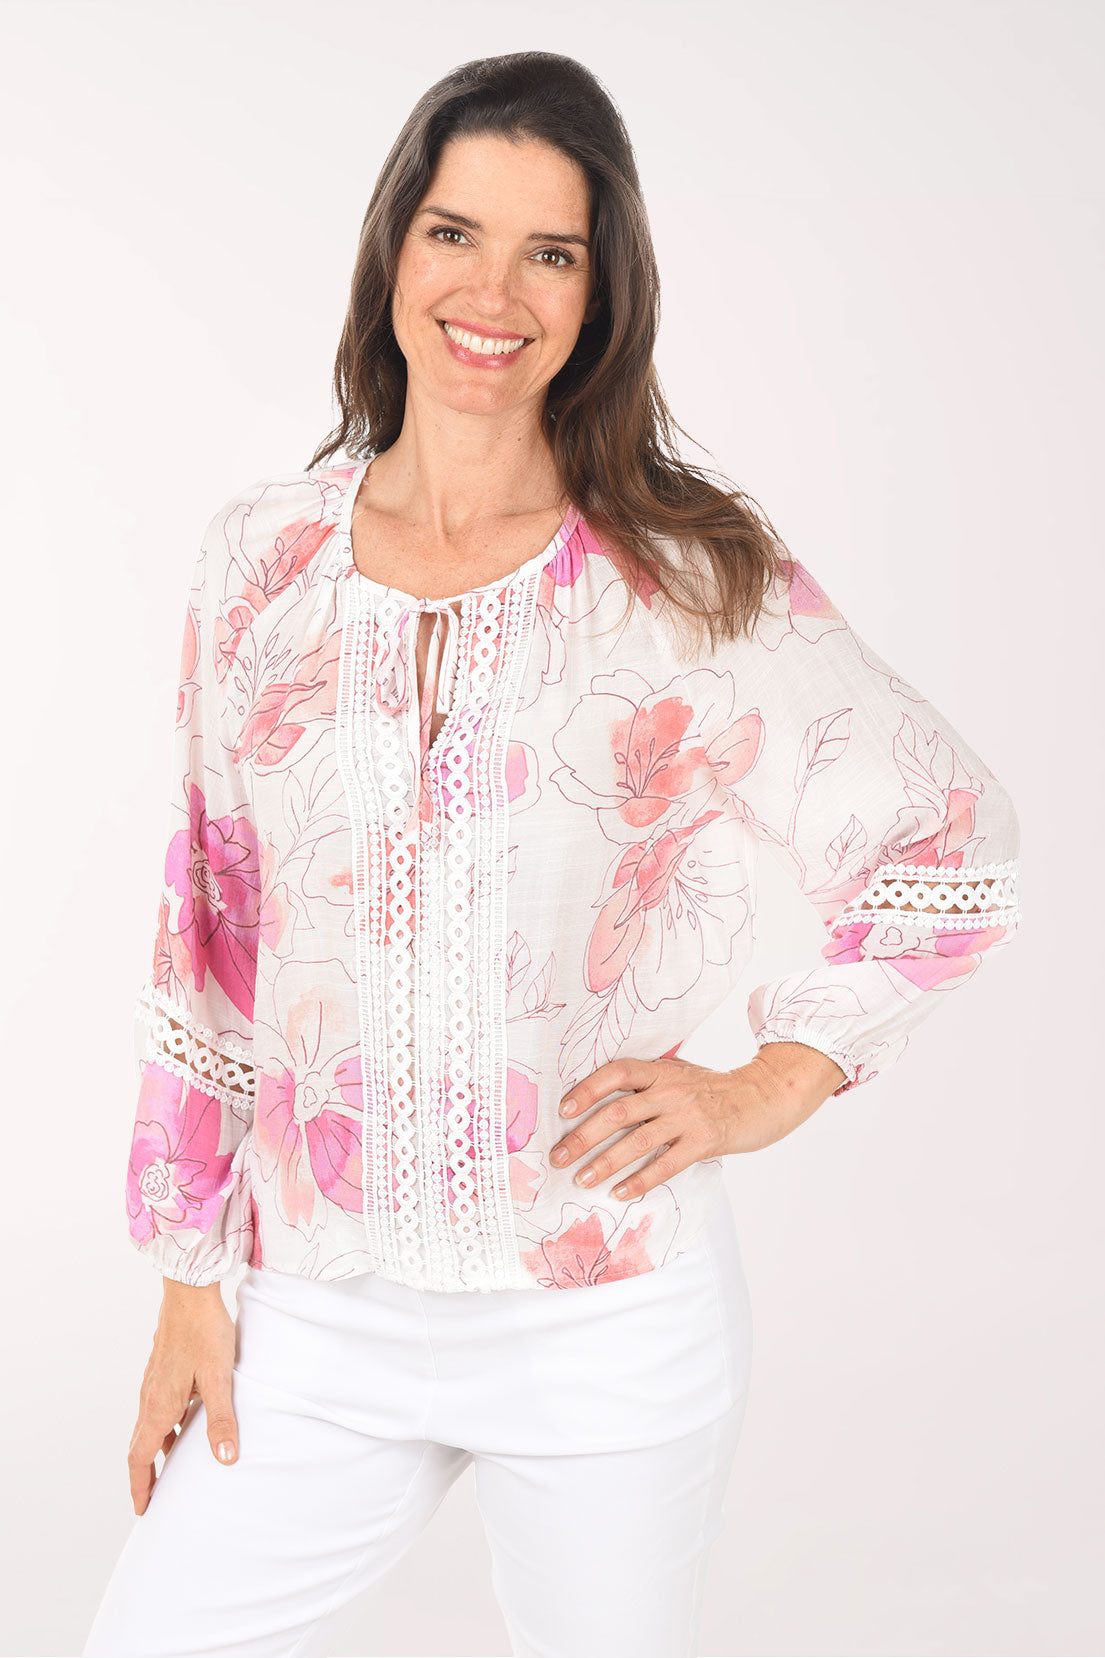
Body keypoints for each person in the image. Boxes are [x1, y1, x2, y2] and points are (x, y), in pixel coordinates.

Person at [82, 49, 1022, 1658]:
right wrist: (184, 1274)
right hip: (317, 1310)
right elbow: (212, 922)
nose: (490, 290)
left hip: (604, 1322)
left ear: (602, 293)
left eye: (550, 251)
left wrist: (758, 1084)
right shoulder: (261, 561)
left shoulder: (678, 576)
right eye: (454, 233)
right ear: (393, 248)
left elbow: (951, 836)